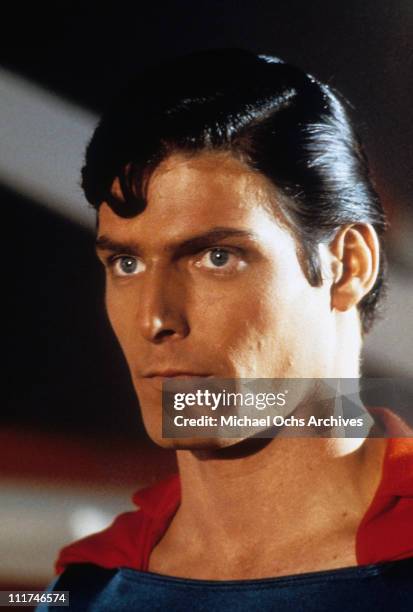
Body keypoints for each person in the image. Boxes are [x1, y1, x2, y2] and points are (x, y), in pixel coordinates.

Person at [40, 49, 413, 610]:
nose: (155, 319)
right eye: (126, 263)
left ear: (348, 265)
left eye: (217, 257)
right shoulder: (85, 588)